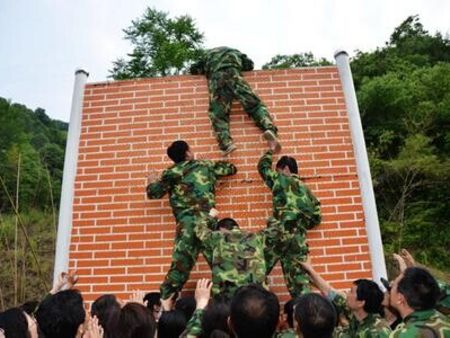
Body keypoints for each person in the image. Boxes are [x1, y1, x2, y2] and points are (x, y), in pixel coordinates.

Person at [147, 140, 237, 300]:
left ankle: (164, 304)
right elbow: (231, 169)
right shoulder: (204, 165)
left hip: (186, 225)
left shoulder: (170, 173)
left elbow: (153, 193)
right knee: (220, 262)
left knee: (180, 267)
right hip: (207, 220)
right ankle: (234, 301)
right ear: (188, 153)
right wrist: (209, 162)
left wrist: (152, 181)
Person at [190, 46, 280, 155]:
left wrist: (206, 70)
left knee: (218, 113)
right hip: (234, 73)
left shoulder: (207, 55)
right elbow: (249, 65)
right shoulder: (235, 52)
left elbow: (194, 69)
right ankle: (269, 128)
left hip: (216, 77)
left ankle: (226, 143)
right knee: (254, 104)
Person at [258, 151, 321, 297]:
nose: (277, 173)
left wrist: (270, 151)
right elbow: (317, 217)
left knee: (257, 269)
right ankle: (306, 313)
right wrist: (300, 225)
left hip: (279, 233)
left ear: (285, 169)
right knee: (299, 283)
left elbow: (262, 168)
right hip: (298, 239)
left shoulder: (281, 179)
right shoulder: (307, 191)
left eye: (278, 170)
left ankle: (251, 308)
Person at [195, 216, 284, 300]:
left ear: (221, 229)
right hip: (256, 300)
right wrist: (271, 219)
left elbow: (199, 229)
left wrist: (211, 216)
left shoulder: (218, 237)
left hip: (226, 300)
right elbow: (277, 231)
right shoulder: (257, 237)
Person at [300, 259, 391, 337]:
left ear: (361, 303)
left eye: (351, 292)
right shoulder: (355, 315)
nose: (347, 294)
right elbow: (329, 291)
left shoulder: (379, 331)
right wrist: (310, 271)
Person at [389, 267, 450, 337]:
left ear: (400, 299)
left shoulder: (403, 335)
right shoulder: (444, 320)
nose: (390, 285)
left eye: (393, 285)